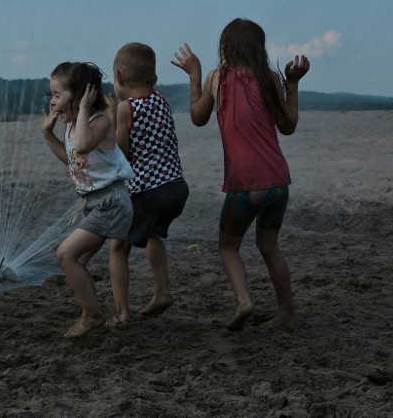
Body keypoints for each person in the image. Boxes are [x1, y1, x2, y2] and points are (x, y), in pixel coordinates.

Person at [172, 18, 309, 331]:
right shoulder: (271, 79)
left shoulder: (217, 77)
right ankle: (287, 313)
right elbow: (288, 126)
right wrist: (293, 83)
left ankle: (245, 302)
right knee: (269, 246)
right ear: (259, 48)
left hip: (246, 185)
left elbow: (197, 118)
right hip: (278, 183)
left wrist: (195, 75)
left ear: (225, 48)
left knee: (228, 247)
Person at [42, 61, 134, 338]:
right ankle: (92, 310)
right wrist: (48, 134)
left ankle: (91, 315)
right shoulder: (72, 128)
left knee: (65, 254)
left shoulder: (101, 122)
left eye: (58, 95)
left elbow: (82, 146)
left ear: (81, 96)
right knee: (76, 260)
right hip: (93, 202)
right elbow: (72, 161)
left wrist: (83, 109)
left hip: (111, 202)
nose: (53, 102)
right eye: (52, 95)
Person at [105, 43, 189, 321]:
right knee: (152, 234)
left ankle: (122, 312)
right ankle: (162, 291)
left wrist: (111, 117)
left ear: (118, 77)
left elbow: (121, 154)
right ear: (154, 79)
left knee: (118, 247)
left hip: (147, 191)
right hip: (175, 187)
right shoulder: (160, 99)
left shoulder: (125, 109)